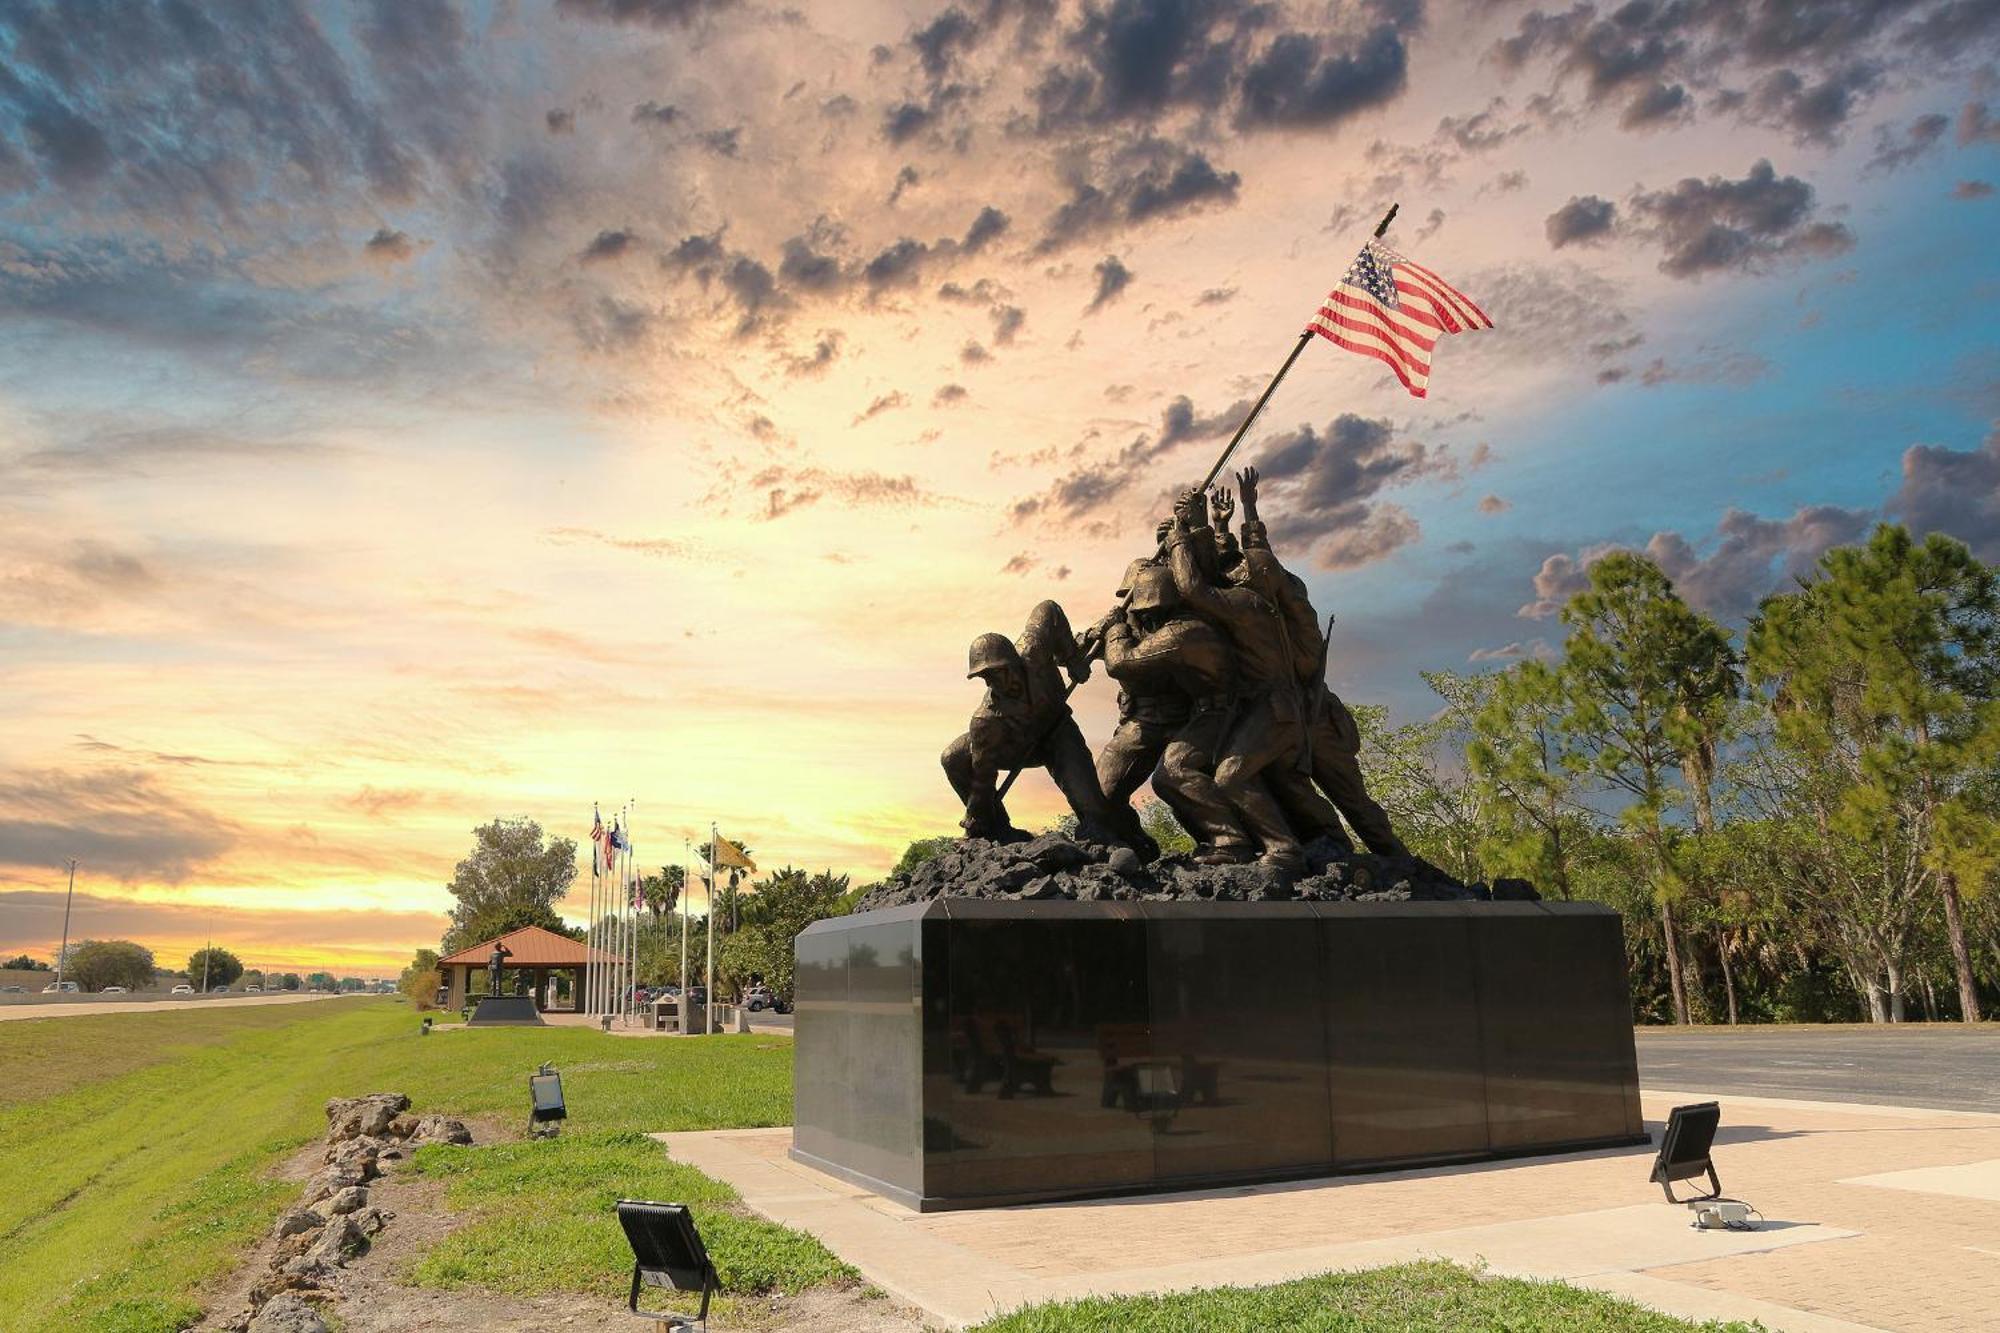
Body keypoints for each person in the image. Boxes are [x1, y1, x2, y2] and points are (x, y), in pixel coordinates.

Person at [1232, 467, 1407, 857]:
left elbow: (1264, 564)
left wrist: (1250, 510)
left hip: (1317, 720)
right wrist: (1235, 515)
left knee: (1352, 798)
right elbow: (1254, 561)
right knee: (1291, 792)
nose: (1248, 580)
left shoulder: (1296, 618)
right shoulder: (1265, 610)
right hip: (1284, 722)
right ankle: (1331, 847)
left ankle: (1396, 859)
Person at [1166, 491, 1341, 870]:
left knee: (1231, 777)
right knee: (1282, 786)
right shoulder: (1262, 602)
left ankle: (1283, 849)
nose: (1233, 570)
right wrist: (1225, 521)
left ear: (1250, 578)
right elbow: (1247, 560)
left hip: (1275, 710)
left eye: (1239, 569)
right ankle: (1312, 841)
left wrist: (1181, 534)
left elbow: (1194, 588)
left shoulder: (1246, 606)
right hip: (1269, 707)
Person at [1098, 565, 1252, 860]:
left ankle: (1231, 842)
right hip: (1184, 715)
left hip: (1218, 713)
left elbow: (1121, 664)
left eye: (1151, 610)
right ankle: (1134, 844)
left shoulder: (1182, 632)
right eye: (1141, 611)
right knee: (1103, 790)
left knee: (1172, 773)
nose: (1146, 617)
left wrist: (1115, 630)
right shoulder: (1162, 627)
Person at [941, 600, 1124, 845]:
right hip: (1016, 747)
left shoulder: (1032, 649)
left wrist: (1071, 658)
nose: (990, 682)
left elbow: (1049, 609)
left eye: (995, 672)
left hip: (1057, 732)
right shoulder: (986, 720)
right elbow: (983, 779)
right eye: (984, 676)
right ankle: (997, 830)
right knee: (952, 756)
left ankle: (1107, 839)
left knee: (1094, 811)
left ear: (1011, 662)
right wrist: (977, 820)